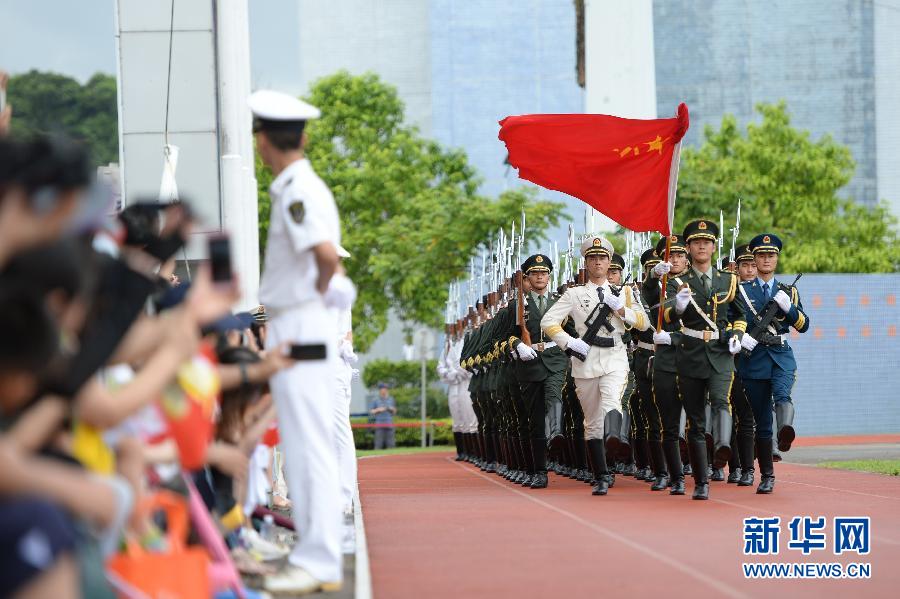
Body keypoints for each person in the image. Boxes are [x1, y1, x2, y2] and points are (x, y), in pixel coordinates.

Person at [250, 89, 354, 594]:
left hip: (299, 322)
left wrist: (309, 302)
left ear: (261, 141)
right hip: (302, 321)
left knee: (306, 445)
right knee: (304, 443)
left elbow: (326, 256)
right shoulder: (301, 185)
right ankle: (320, 558)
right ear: (304, 137)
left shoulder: (295, 190)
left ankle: (318, 559)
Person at [541, 237, 649, 496]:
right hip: (586, 361)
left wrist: (622, 310)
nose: (598, 262)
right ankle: (601, 474)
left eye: (602, 258)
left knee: (612, 401)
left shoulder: (623, 292)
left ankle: (615, 444)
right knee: (592, 422)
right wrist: (569, 342)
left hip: (615, 356)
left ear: (609, 261)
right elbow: (548, 321)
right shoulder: (575, 294)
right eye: (592, 258)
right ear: (586, 263)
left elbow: (644, 323)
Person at [660, 219, 746, 500]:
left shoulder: (728, 280)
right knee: (696, 422)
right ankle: (701, 481)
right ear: (688, 247)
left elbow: (739, 315)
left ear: (713, 246)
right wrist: (679, 306)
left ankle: (721, 447)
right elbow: (664, 315)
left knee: (722, 400)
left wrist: (736, 334)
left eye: (707, 241)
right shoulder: (676, 282)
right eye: (696, 242)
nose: (702, 246)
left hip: (721, 353)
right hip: (691, 351)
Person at [736, 233, 810, 494]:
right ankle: (767, 475)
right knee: (762, 420)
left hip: (780, 354)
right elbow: (734, 321)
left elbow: (803, 325)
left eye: (771, 255)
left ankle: (785, 431)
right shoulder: (742, 291)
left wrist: (788, 308)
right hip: (753, 359)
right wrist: (739, 339)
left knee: (782, 394)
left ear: (777, 259)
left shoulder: (789, 291)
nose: (767, 259)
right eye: (762, 255)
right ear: (754, 259)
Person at [506, 254, 573, 489]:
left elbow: (574, 331)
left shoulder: (560, 302)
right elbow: (504, 337)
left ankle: (556, 433)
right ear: (528, 277)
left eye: (543, 272)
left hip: (555, 359)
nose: (540, 276)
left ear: (549, 276)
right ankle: (538, 471)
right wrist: (517, 345)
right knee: (534, 421)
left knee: (554, 394)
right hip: (530, 363)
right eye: (535, 273)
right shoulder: (518, 306)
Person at [644, 235, 690, 495]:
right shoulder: (659, 285)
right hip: (666, 360)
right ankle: (673, 476)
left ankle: (703, 475)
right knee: (668, 423)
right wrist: (653, 277)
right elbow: (650, 300)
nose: (674, 260)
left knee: (696, 422)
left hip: (693, 357)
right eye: (669, 256)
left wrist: (674, 336)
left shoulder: (698, 283)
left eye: (679, 255)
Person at [722, 244, 758, 486]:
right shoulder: (728, 291)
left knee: (749, 417)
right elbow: (721, 319)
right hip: (732, 357)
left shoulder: (764, 292)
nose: (749, 270)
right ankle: (736, 466)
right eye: (744, 265)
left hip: (756, 359)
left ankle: (748, 467)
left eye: (752, 265)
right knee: (735, 415)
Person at [369, 384, 397, 450]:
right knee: (378, 444)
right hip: (379, 425)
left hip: (389, 424)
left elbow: (395, 412)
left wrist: (391, 409)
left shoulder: (391, 399)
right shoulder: (375, 400)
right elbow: (371, 411)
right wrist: (378, 409)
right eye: (382, 389)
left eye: (385, 389)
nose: (384, 391)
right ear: (380, 390)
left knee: (391, 445)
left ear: (387, 390)